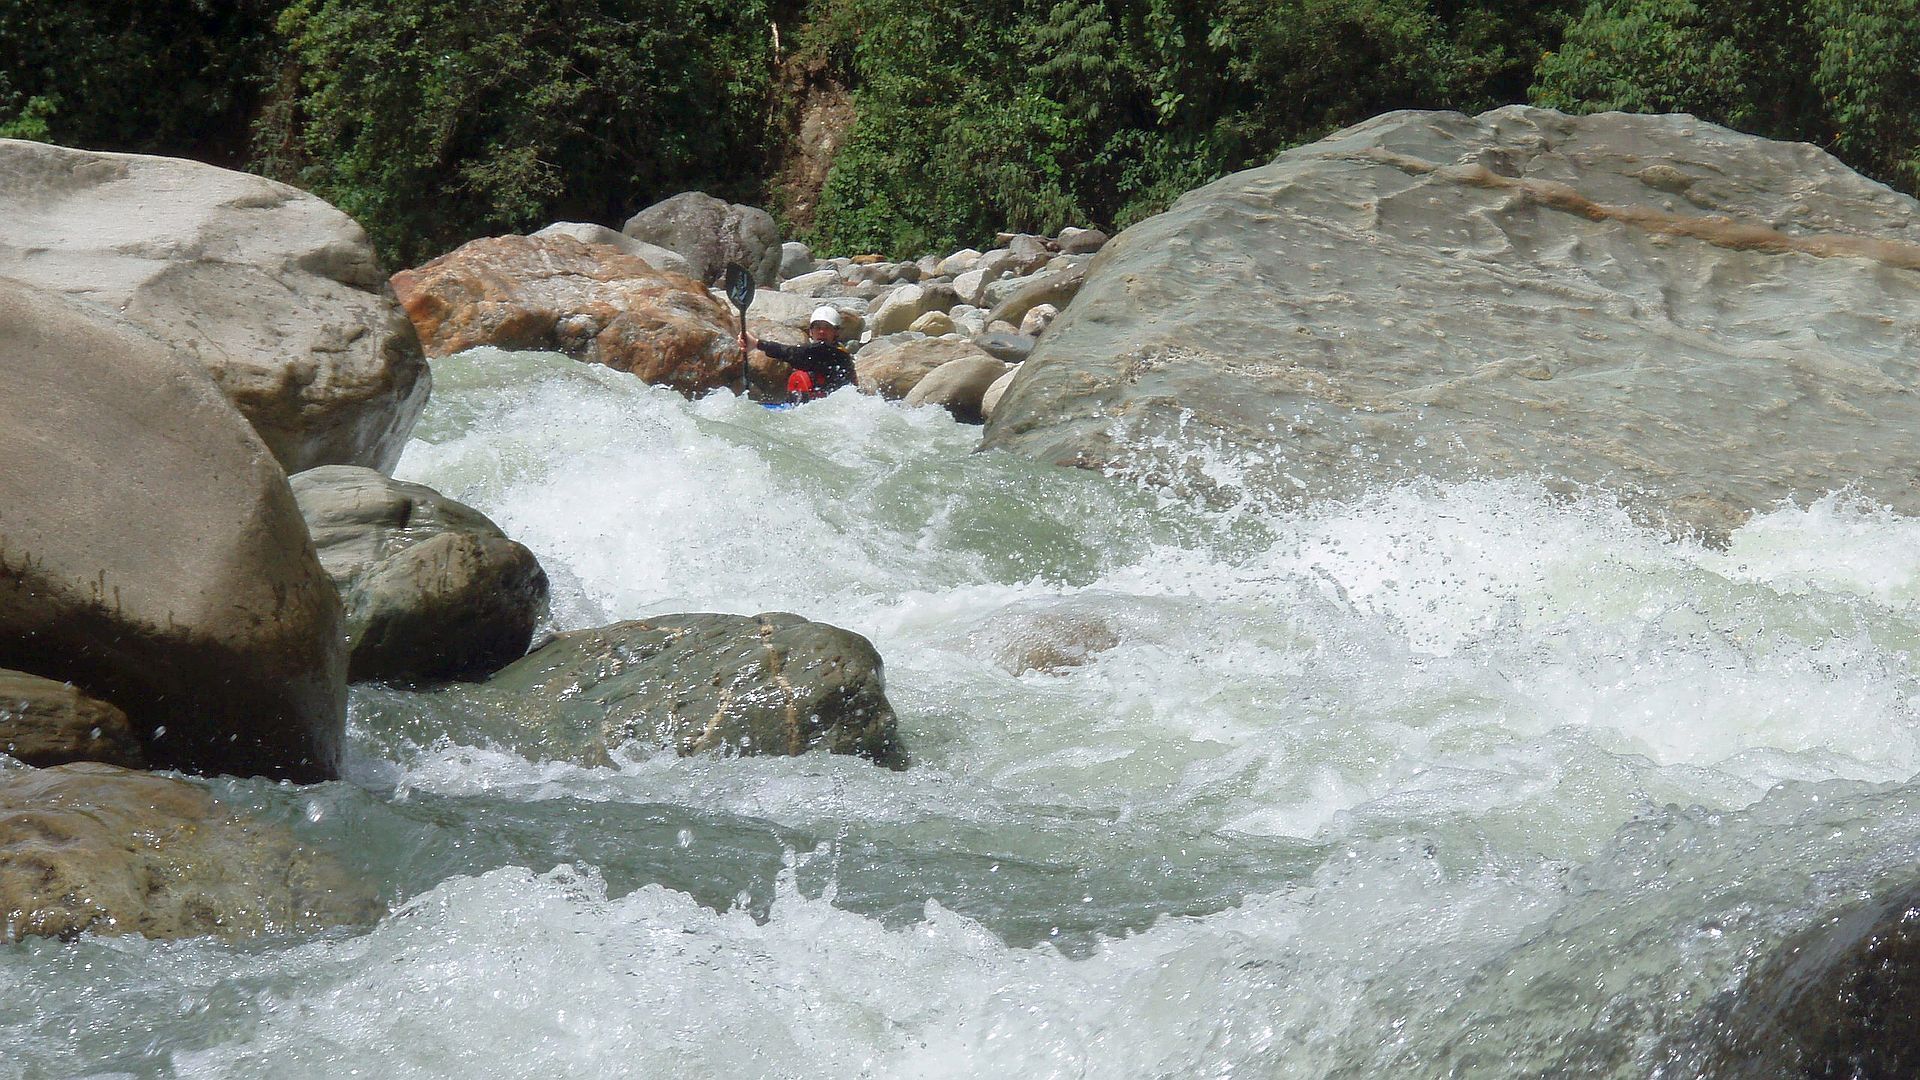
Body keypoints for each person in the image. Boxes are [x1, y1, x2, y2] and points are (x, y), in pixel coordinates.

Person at [738, 306, 857, 403]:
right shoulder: (817, 351)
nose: (821, 332)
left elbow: (794, 353)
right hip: (822, 407)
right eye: (817, 327)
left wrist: (757, 344)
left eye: (827, 328)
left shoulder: (835, 353)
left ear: (836, 332)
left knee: (800, 377)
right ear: (811, 332)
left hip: (833, 409)